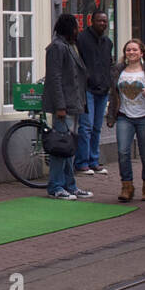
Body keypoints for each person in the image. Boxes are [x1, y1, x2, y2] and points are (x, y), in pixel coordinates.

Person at [42, 14, 93, 200]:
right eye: (75, 27)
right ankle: (56, 186)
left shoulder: (68, 46)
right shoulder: (57, 48)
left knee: (68, 148)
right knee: (61, 148)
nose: (77, 30)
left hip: (74, 104)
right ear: (70, 28)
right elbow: (55, 78)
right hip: (64, 106)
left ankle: (70, 185)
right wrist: (60, 106)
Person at [105, 39, 145, 202]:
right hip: (124, 116)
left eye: (135, 50)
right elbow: (113, 95)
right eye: (128, 50)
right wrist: (110, 116)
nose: (131, 53)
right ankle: (127, 186)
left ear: (141, 53)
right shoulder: (117, 71)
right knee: (123, 152)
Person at [75, 11, 113, 175]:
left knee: (97, 127)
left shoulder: (108, 42)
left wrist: (109, 83)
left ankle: (94, 160)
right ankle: (82, 162)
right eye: (99, 21)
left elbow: (108, 64)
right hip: (87, 89)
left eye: (105, 21)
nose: (103, 24)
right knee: (86, 127)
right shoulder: (81, 39)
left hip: (103, 90)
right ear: (92, 21)